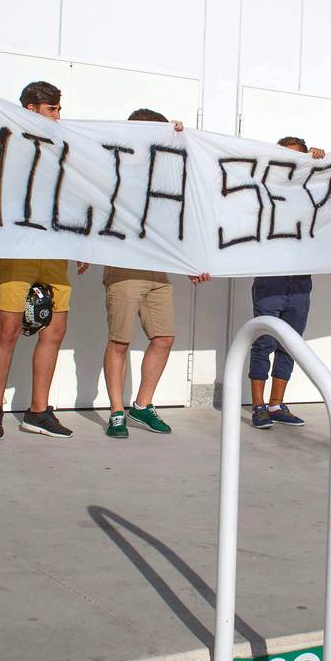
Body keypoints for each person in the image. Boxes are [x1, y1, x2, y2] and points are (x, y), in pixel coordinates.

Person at [0, 81, 84, 439]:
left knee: (54, 330)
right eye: (52, 108)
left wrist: (83, 245)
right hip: (16, 249)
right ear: (30, 109)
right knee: (7, 331)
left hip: (54, 251)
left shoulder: (63, 148)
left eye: (58, 108)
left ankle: (38, 410)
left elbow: (74, 198)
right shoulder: (8, 142)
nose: (58, 115)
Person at [100, 109, 211, 439]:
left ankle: (142, 405)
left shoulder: (165, 170)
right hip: (124, 266)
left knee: (164, 338)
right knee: (119, 340)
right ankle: (117, 411)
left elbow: (180, 215)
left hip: (158, 268)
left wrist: (189, 261)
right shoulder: (116, 164)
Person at [249, 136, 331, 430]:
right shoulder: (267, 188)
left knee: (290, 345)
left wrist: (322, 167)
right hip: (270, 281)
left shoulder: (312, 194)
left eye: (297, 158)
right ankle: (258, 407)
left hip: (300, 283)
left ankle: (277, 404)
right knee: (264, 343)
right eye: (285, 157)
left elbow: (330, 228)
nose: (291, 163)